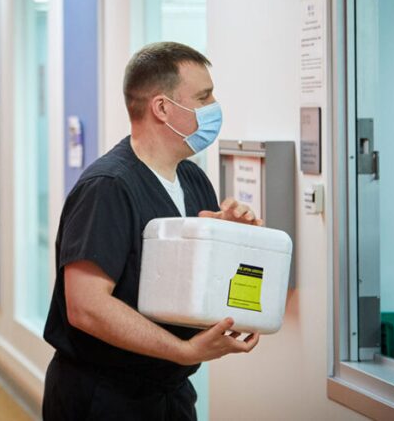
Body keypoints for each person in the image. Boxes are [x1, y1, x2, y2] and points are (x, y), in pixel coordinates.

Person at [42, 42, 264, 420]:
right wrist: (184, 351)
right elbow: (86, 308)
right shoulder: (108, 187)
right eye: (204, 96)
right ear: (162, 108)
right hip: (104, 398)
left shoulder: (192, 179)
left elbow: (189, 286)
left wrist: (233, 241)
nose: (214, 106)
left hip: (169, 393)